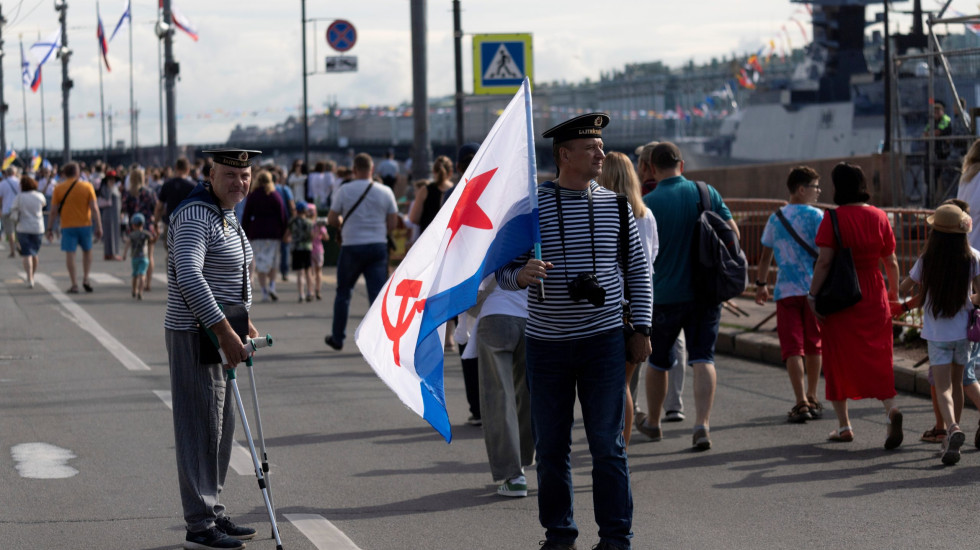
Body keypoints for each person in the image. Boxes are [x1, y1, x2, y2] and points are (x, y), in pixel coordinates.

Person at [496, 113, 652, 550]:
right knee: (551, 449)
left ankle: (617, 537)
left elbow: (639, 271)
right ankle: (559, 535)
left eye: (601, 146)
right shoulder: (530, 209)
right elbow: (500, 270)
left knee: (608, 445)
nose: (602, 153)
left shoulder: (617, 205)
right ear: (565, 155)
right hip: (546, 345)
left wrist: (641, 326)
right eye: (591, 148)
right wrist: (521, 275)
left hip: (603, 341)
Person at [165, 148, 261, 550]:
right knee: (201, 426)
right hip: (197, 333)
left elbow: (231, 277)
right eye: (230, 175)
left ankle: (213, 509)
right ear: (210, 175)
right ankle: (199, 524)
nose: (239, 182)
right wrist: (223, 331)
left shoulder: (225, 214)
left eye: (245, 176)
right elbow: (188, 274)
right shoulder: (195, 214)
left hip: (222, 332)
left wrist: (245, 324)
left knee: (221, 430)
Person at [640, 141, 738, 451]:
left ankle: (654, 423)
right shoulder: (706, 193)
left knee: (658, 361)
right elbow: (731, 234)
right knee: (703, 358)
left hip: (663, 296)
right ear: (682, 165)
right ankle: (702, 425)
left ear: (652, 169)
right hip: (706, 292)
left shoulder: (647, 203)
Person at [807, 162, 903, 448]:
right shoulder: (880, 216)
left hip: (842, 295)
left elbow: (824, 262)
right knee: (878, 356)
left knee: (838, 357)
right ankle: (891, 409)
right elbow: (892, 261)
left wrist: (812, 296)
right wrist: (893, 294)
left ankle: (844, 425)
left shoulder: (833, 219)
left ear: (838, 187)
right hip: (874, 292)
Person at [892, 203, 979, 464]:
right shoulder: (973, 257)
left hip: (937, 333)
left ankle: (951, 428)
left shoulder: (927, 259)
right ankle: (956, 430)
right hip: (963, 332)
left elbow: (905, 286)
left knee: (942, 388)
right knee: (958, 383)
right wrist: (966, 299)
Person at [597, 150, 659, 449]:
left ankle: (613, 447)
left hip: (610, 306)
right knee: (623, 386)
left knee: (610, 387)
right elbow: (651, 259)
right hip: (640, 305)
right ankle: (622, 448)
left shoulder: (602, 211)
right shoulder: (646, 214)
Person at [754, 166, 825, 422]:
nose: (818, 192)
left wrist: (761, 283)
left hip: (785, 291)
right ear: (802, 189)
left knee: (793, 349)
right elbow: (826, 253)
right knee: (815, 346)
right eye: (816, 187)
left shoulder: (776, 217)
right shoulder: (817, 216)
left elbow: (765, 255)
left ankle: (800, 401)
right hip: (813, 290)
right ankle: (814, 394)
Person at [633, 140, 685, 427]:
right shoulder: (694, 191)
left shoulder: (641, 199)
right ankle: (674, 404)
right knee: (677, 346)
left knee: (647, 349)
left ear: (647, 166)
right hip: (682, 285)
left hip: (657, 286)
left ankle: (642, 409)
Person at [324, 153, 398, 351]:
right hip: (377, 247)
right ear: (372, 170)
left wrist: (342, 224)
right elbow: (392, 223)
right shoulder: (385, 191)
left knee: (343, 293)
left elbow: (331, 219)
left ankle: (338, 337)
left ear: (354, 170)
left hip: (351, 247)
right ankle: (380, 340)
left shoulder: (344, 190)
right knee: (376, 295)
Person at [45, 163, 102, 293]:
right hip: (85, 224)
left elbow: (53, 211)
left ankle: (74, 283)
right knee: (87, 251)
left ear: (64, 173)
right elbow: (94, 208)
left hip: (67, 225)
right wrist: (99, 226)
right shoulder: (87, 186)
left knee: (70, 253)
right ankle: (86, 278)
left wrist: (49, 229)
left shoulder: (59, 188)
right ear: (77, 173)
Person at [241, 170, 287, 302]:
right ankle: (272, 285)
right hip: (274, 233)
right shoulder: (275, 195)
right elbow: (282, 215)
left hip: (257, 233)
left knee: (260, 263)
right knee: (273, 262)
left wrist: (245, 232)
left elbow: (246, 216)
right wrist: (284, 231)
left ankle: (264, 291)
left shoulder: (253, 196)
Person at [123, 167, 159, 291]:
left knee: (136, 255)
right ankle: (147, 283)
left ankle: (137, 280)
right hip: (148, 226)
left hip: (134, 229)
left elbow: (124, 210)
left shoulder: (128, 194)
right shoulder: (150, 193)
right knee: (149, 255)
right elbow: (156, 207)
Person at [155, 157, 197, 261]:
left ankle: (171, 276)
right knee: (187, 256)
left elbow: (159, 207)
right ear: (188, 169)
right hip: (188, 225)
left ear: (175, 168)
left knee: (171, 254)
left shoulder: (167, 185)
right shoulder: (193, 186)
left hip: (170, 224)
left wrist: (156, 223)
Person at [10, 175, 46, 288]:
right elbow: (44, 204)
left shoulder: (19, 197)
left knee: (26, 254)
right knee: (34, 253)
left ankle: (29, 277)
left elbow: (13, 208)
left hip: (23, 227)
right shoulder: (39, 196)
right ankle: (32, 275)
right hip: (37, 227)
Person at [408, 155, 454, 234]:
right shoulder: (457, 190)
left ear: (433, 172)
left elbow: (413, 218)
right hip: (449, 238)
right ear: (451, 172)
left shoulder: (425, 190)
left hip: (428, 237)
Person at [287, 200, 315, 302]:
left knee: (300, 272)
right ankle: (310, 292)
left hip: (296, 248)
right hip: (307, 248)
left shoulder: (292, 222)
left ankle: (301, 294)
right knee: (308, 271)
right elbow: (312, 236)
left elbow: (287, 235)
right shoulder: (309, 222)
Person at [123, 213, 155, 300]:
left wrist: (124, 254)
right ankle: (140, 292)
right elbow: (152, 240)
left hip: (135, 258)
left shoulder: (132, 235)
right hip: (144, 258)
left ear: (133, 225)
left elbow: (127, 244)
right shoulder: (146, 234)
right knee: (142, 274)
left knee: (135, 275)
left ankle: (134, 290)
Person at [97, 169, 123, 260]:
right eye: (110, 179)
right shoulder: (105, 188)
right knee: (109, 234)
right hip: (108, 214)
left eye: (113, 179)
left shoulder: (115, 187)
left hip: (115, 214)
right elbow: (107, 197)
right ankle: (111, 253)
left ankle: (112, 253)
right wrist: (109, 187)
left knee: (115, 233)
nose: (112, 181)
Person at [309, 203, 328, 300]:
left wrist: (320, 229)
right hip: (316, 250)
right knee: (317, 272)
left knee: (313, 272)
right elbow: (326, 237)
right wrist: (320, 229)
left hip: (314, 250)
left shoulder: (310, 224)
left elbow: (326, 237)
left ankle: (314, 290)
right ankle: (316, 290)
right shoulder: (314, 224)